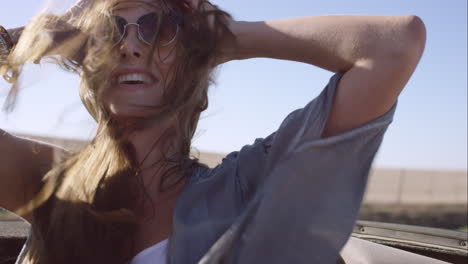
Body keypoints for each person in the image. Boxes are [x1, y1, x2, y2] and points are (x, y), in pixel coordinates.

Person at [0, 0, 426, 263]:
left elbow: (395, 44)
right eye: (108, 33)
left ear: (194, 61)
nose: (130, 46)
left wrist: (220, 36)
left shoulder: (244, 185)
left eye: (157, 30)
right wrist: (22, 39)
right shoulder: (49, 181)